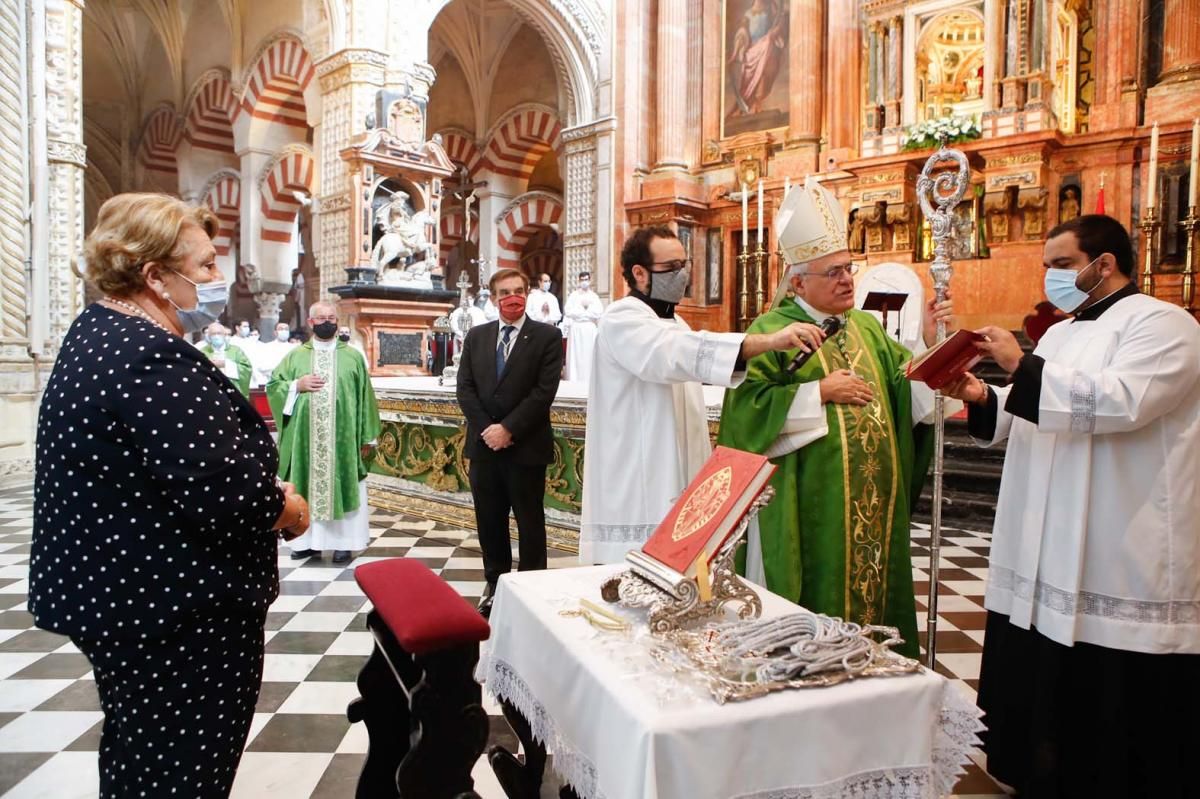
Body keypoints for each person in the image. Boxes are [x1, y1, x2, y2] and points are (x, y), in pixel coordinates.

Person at [29, 193, 309, 798]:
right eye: (205, 266)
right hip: (175, 619)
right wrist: (285, 507)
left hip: (125, 601)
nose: (216, 280)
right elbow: (221, 495)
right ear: (154, 276)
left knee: (141, 759)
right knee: (182, 774)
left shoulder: (96, 331)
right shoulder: (149, 358)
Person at [940, 214, 1200, 796]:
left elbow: (1123, 403)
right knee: (1041, 650)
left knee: (1106, 676)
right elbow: (1036, 407)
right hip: (1045, 528)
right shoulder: (1060, 333)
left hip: (1120, 528)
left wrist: (1016, 364)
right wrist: (985, 395)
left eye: (1061, 264)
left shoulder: (1165, 325)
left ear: (1103, 264)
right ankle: (1031, 766)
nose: (1051, 277)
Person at [716, 176, 956, 658]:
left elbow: (912, 392)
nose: (848, 279)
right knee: (816, 615)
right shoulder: (771, 332)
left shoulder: (866, 325)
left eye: (849, 268)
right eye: (834, 272)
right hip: (809, 506)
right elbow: (745, 418)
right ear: (799, 280)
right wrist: (817, 392)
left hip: (873, 508)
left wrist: (932, 341)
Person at [579, 225, 824, 564]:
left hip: (679, 471)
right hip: (638, 479)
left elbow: (686, 349)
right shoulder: (621, 318)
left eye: (686, 264)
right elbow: (671, 353)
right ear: (639, 273)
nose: (684, 275)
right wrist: (768, 340)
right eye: (672, 268)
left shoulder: (676, 322)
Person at [456, 268, 563, 615]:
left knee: (529, 521)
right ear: (493, 296)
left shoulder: (547, 336)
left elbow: (543, 392)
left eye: (519, 290)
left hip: (526, 446)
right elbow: (465, 389)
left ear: (528, 293)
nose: (512, 297)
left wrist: (509, 429)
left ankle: (532, 589)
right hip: (484, 446)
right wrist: (489, 428)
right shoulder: (477, 336)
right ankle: (496, 584)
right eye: (505, 292)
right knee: (489, 520)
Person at [268, 302, 382, 565]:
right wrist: (296, 385)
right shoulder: (296, 356)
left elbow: (366, 397)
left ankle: (343, 543)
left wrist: (367, 436)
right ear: (311, 322)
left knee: (343, 483)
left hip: (343, 440)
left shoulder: (352, 355)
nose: (327, 322)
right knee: (305, 483)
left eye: (332, 317)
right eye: (321, 318)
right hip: (304, 440)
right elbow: (275, 385)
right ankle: (306, 542)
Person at [562, 270, 604, 382]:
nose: (584, 282)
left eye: (586, 279)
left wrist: (583, 313)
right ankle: (574, 379)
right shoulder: (573, 296)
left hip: (590, 329)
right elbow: (568, 311)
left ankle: (590, 379)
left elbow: (598, 312)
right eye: (582, 280)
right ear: (579, 281)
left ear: (590, 280)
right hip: (577, 329)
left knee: (589, 354)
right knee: (576, 355)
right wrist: (585, 314)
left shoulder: (594, 296)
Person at [199, 321, 253, 397]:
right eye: (213, 334)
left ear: (224, 335)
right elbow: (198, 372)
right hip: (211, 392)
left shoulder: (236, 351)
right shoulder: (203, 352)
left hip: (232, 391)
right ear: (209, 336)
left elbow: (246, 369)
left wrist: (225, 364)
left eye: (219, 333)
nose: (216, 336)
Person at [252, 320, 296, 386]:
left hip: (291, 383)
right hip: (272, 381)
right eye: (281, 329)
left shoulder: (295, 348)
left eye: (286, 329)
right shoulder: (266, 347)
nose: (284, 331)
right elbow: (261, 366)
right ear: (275, 332)